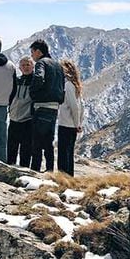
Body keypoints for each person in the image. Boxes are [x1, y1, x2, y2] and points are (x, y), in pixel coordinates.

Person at [28, 39, 64, 172]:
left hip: (42, 106)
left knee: (36, 142)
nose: (32, 56)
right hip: (55, 107)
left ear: (38, 51)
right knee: (49, 142)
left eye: (32, 52)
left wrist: (32, 93)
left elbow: (38, 78)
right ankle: (50, 171)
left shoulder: (41, 63)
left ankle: (35, 172)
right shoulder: (58, 65)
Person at [57, 59, 84, 176]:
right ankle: (69, 177)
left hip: (66, 123)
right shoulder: (75, 85)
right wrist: (79, 123)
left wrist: (77, 123)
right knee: (69, 152)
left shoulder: (67, 85)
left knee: (63, 153)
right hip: (72, 124)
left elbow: (74, 106)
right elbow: (81, 106)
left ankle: (63, 177)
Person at [7, 56, 34, 167]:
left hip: (27, 120)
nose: (26, 67)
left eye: (28, 65)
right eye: (23, 65)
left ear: (33, 66)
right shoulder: (16, 81)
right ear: (19, 67)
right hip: (13, 120)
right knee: (11, 149)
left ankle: (25, 174)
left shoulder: (36, 82)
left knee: (26, 151)